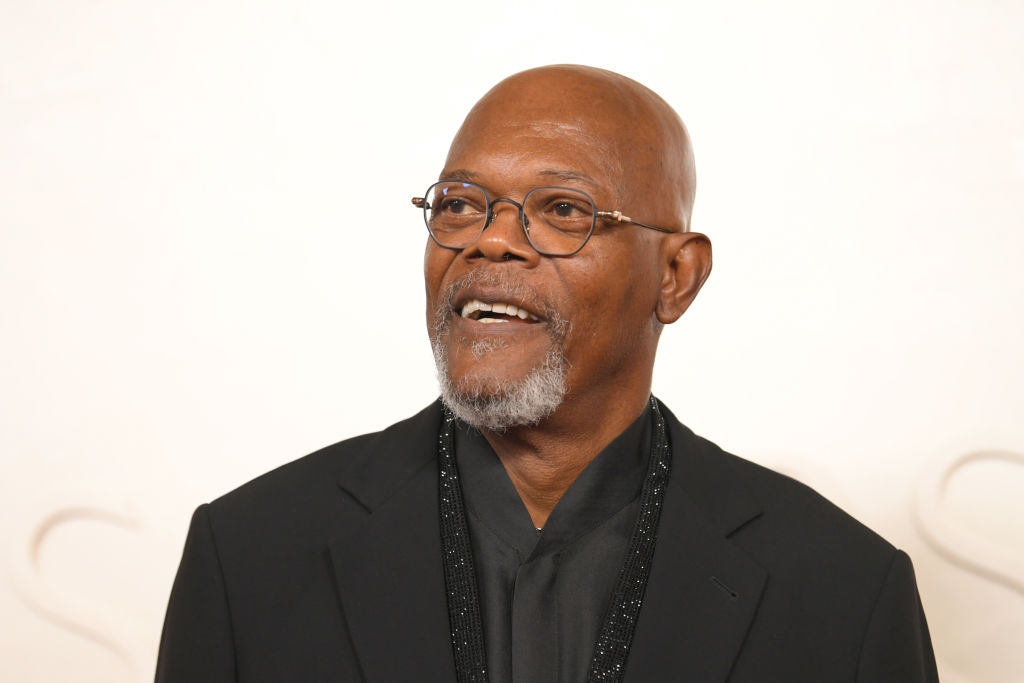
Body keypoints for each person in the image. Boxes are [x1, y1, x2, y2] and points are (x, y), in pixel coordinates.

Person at [155, 65, 939, 682]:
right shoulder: (250, 556)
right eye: (460, 205)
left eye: (562, 209)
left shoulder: (844, 591)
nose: (490, 242)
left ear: (676, 277)